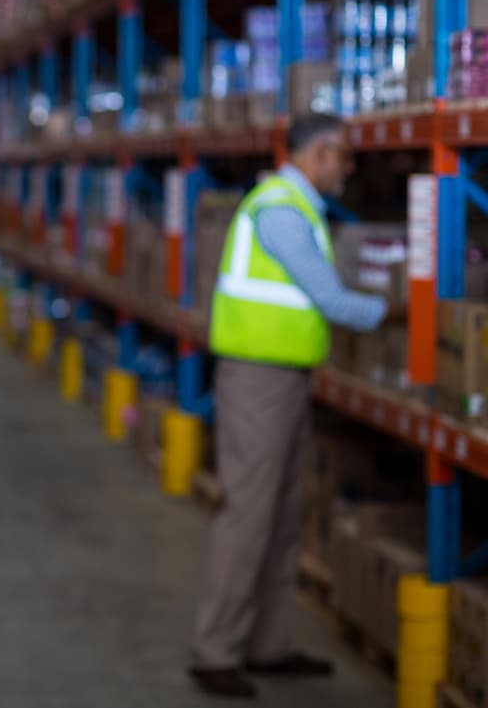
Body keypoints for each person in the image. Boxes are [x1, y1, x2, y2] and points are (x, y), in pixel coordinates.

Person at [190, 112, 405, 698]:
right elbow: (329, 298)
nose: (349, 167)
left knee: (282, 517)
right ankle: (215, 651)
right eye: (344, 155)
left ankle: (268, 643)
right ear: (318, 154)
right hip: (257, 379)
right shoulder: (280, 208)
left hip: (284, 379)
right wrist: (396, 313)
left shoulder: (297, 205)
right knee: (250, 514)